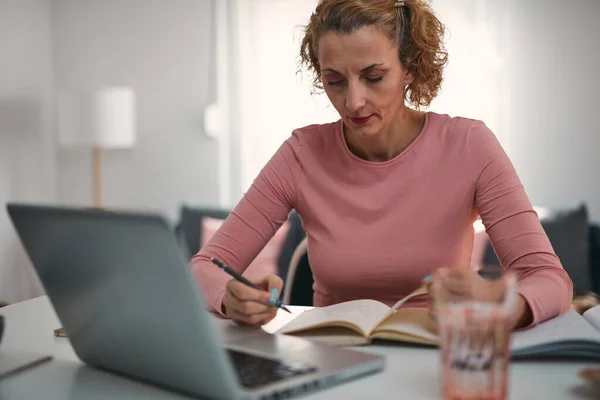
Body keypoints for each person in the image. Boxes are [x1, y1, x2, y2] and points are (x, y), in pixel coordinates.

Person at [191, 0, 572, 329]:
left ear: (410, 67)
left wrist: (503, 304)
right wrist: (230, 296)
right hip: (334, 363)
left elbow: (549, 278)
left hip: (442, 355)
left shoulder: (469, 145)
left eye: (374, 77)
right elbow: (203, 266)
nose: (353, 102)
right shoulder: (301, 153)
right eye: (334, 80)